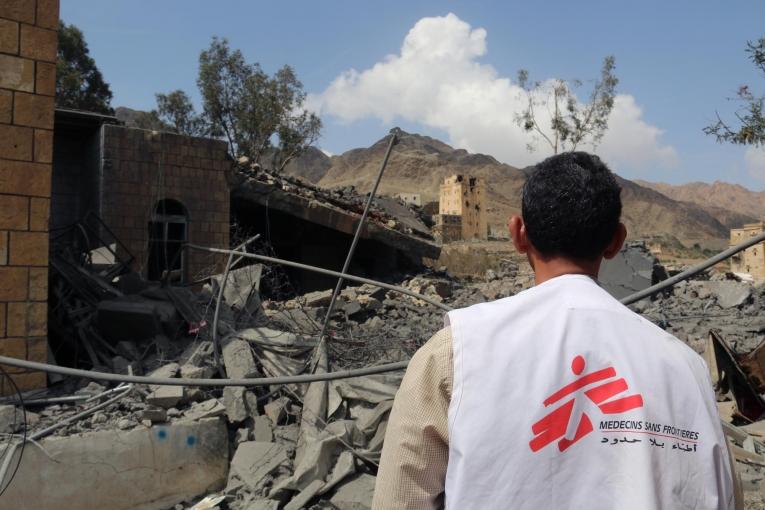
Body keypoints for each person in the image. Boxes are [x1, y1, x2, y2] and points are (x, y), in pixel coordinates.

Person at [372, 152, 739, 509]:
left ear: (518, 234)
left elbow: (399, 499)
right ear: (616, 241)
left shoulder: (455, 352)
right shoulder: (688, 369)